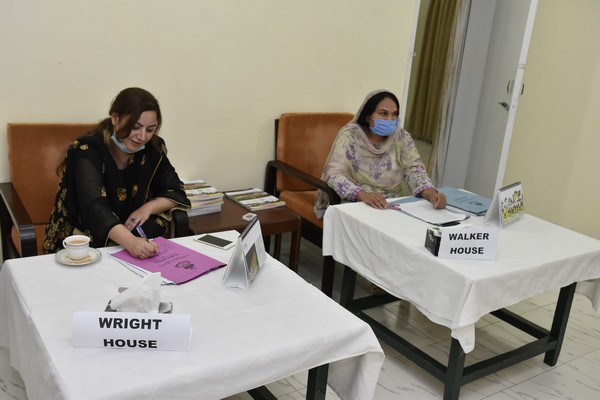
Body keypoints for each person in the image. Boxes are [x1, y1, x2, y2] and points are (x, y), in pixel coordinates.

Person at [43, 87, 191, 260]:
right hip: (86, 236)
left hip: (132, 232)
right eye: (135, 127)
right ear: (115, 118)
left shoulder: (152, 149)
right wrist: (131, 243)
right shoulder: (88, 151)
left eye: (150, 129)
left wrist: (148, 208)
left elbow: (175, 189)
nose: (142, 136)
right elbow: (94, 207)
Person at [314, 89, 446, 217]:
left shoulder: (401, 137)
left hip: (391, 203)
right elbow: (334, 175)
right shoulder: (350, 136)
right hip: (356, 202)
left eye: (394, 114)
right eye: (383, 113)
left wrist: (432, 195)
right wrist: (362, 194)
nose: (390, 119)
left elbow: (415, 173)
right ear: (367, 116)